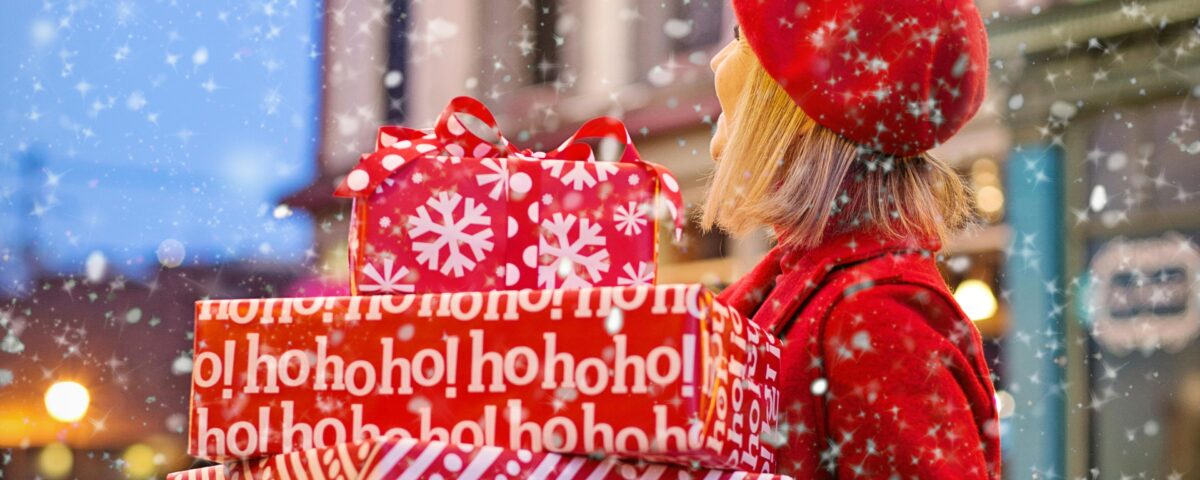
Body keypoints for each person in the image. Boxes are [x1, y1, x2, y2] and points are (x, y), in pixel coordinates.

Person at [705, 1, 1001, 478]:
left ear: (805, 100)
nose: (717, 61)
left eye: (741, 38)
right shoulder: (818, 293)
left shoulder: (877, 320)